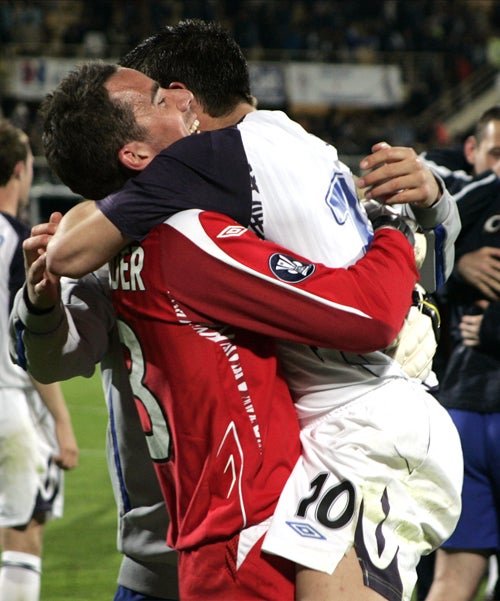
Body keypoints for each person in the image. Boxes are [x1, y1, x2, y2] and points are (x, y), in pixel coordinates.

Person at [38, 56, 463, 601]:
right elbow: (372, 313)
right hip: (239, 530)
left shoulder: (110, 243)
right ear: (136, 154)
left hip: (212, 534)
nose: (179, 98)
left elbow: (55, 329)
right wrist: (396, 227)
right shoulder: (192, 231)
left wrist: (45, 279)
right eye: (158, 98)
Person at [10, 212, 179, 601]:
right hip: (158, 564)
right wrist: (41, 304)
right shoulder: (112, 236)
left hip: (261, 547)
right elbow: (52, 359)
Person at [417, 107, 500, 601]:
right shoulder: (473, 195)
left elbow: (407, 266)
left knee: (451, 582)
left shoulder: (468, 199)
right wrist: (456, 267)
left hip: (461, 413)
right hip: (465, 410)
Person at [0, 118, 78, 601]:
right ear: (20, 171)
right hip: (10, 404)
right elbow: (30, 339)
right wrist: (63, 422)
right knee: (23, 532)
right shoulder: (16, 242)